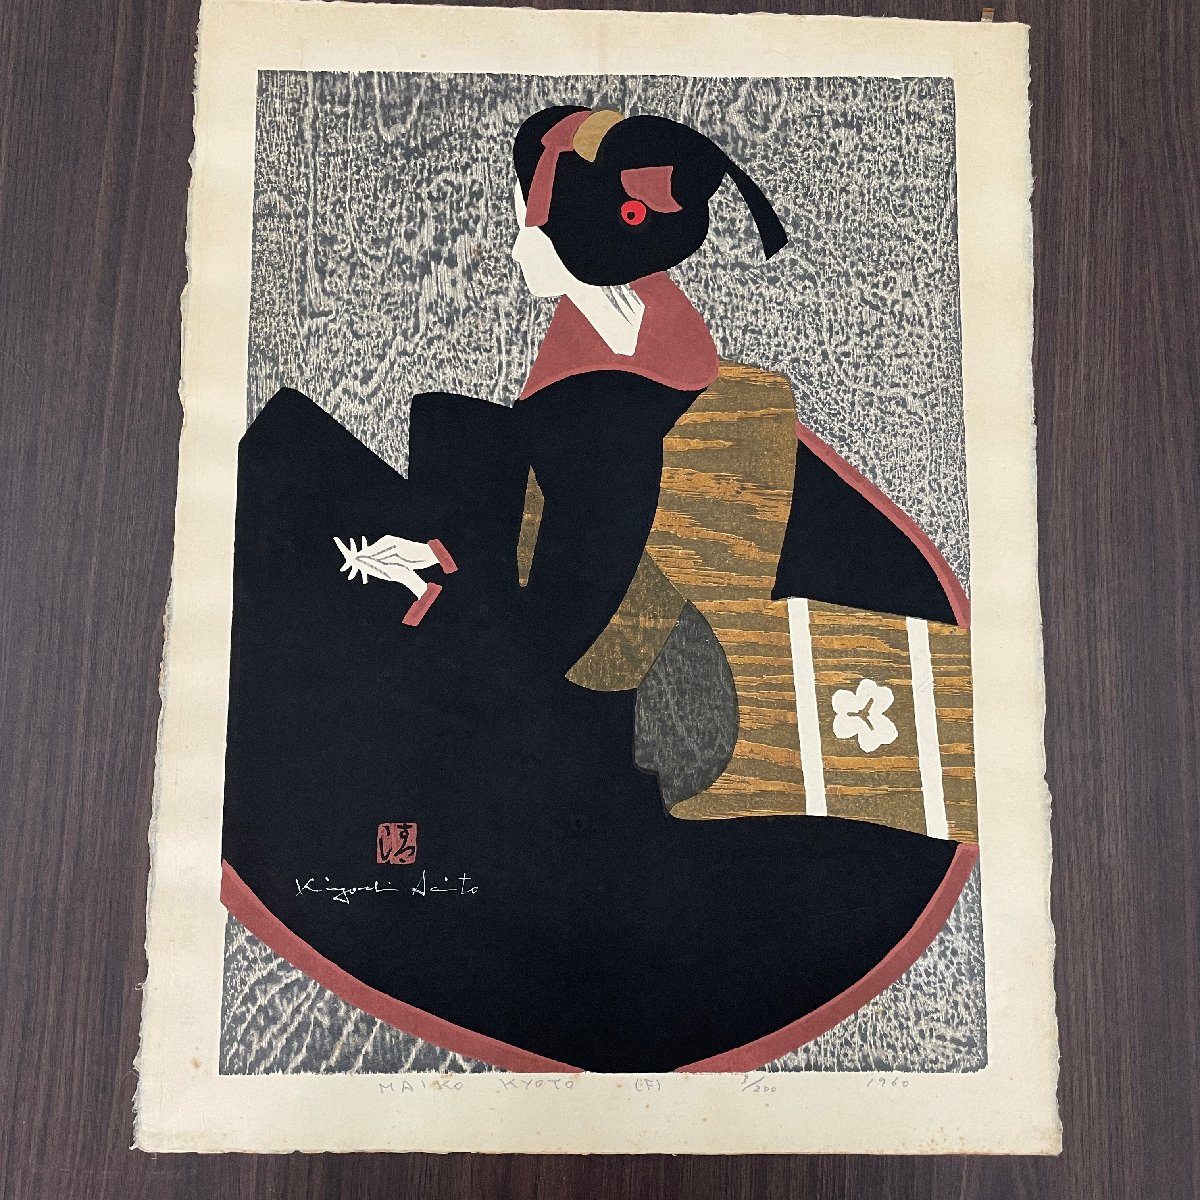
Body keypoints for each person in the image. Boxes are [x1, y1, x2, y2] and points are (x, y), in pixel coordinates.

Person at [220, 106, 977, 1073]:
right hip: (594, 589)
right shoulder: (625, 336)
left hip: (602, 640)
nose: (519, 246)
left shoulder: (612, 406)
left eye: (530, 223)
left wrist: (450, 576)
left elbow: (577, 622)